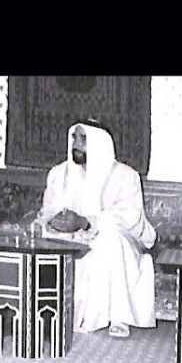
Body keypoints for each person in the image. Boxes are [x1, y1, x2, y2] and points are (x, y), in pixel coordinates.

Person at [34, 118, 157, 338]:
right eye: (74, 138)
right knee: (43, 235)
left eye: (83, 139)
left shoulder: (125, 176)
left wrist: (86, 222)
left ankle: (118, 316)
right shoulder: (59, 174)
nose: (76, 144)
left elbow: (129, 218)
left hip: (118, 244)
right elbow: (49, 209)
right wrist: (53, 222)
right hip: (72, 238)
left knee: (109, 239)